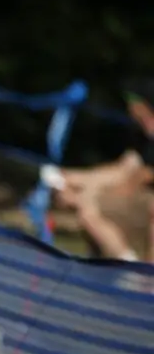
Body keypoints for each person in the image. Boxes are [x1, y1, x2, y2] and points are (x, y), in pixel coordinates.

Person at [44, 79, 154, 263]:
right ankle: (126, 266)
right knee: (84, 205)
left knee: (88, 208)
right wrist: (71, 178)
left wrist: (86, 194)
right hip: (137, 200)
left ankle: (133, 273)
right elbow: (122, 170)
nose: (130, 110)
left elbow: (133, 182)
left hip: (143, 202)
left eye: (132, 104)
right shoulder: (141, 137)